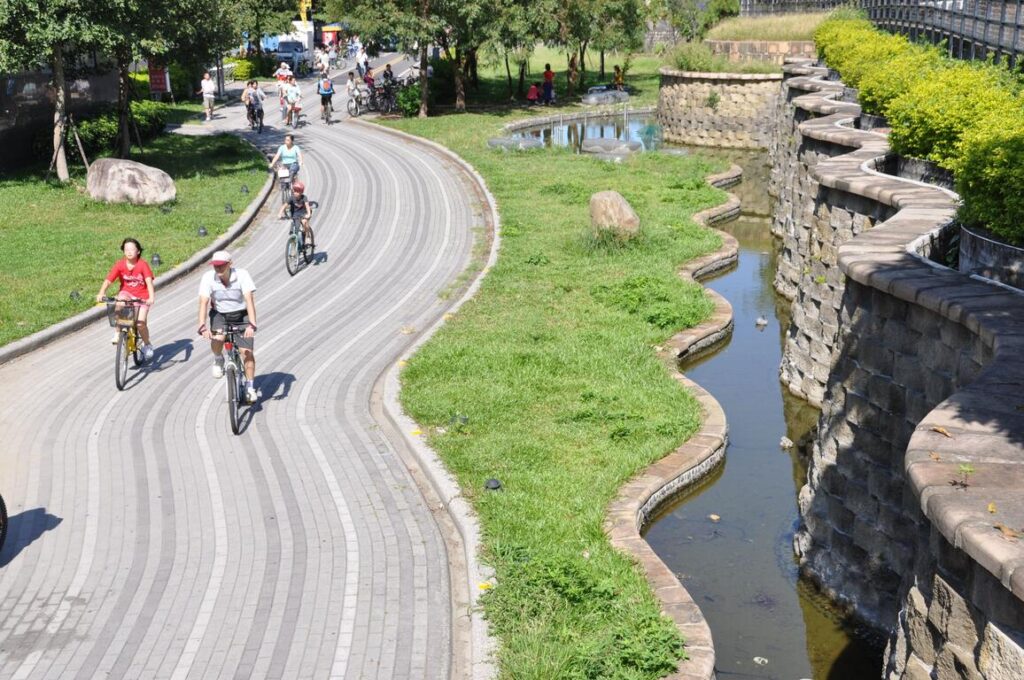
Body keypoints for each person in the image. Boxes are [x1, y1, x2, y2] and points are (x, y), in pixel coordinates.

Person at [197, 251, 258, 403]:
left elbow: (249, 299)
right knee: (218, 338)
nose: (218, 269)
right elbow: (203, 302)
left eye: (221, 265)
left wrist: (251, 324)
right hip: (220, 314)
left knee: (247, 352)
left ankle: (250, 387)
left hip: (241, 314)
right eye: (215, 266)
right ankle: (218, 359)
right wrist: (202, 325)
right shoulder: (208, 278)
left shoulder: (242, 275)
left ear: (230, 263)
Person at [96, 237, 156, 361]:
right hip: (127, 293)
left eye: (132, 249)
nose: (129, 252)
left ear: (138, 251)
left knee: (140, 323)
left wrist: (151, 297)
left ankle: (147, 344)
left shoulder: (142, 264)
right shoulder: (120, 264)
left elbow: (149, 282)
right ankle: (118, 332)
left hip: (142, 297)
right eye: (126, 249)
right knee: (120, 301)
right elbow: (109, 280)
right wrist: (101, 292)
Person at [268, 134, 303, 217]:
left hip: (293, 164)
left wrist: (301, 161)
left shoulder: (295, 148)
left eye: (287, 140)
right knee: (281, 173)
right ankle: (285, 188)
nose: (286, 141)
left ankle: (293, 188)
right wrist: (272, 163)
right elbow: (277, 156)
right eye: (285, 140)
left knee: (291, 173)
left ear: (291, 141)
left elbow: (300, 155)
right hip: (285, 164)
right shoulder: (282, 147)